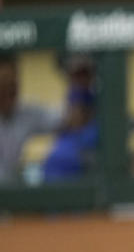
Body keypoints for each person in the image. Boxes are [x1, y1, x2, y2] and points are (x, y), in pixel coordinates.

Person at [0, 53, 62, 183]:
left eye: (13, 85)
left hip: (11, 194)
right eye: (4, 86)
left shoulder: (25, 112)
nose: (10, 92)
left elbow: (66, 119)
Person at [42, 54, 99, 182]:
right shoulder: (71, 99)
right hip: (57, 180)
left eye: (83, 73)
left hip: (86, 182)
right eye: (74, 75)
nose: (78, 79)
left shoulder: (101, 111)